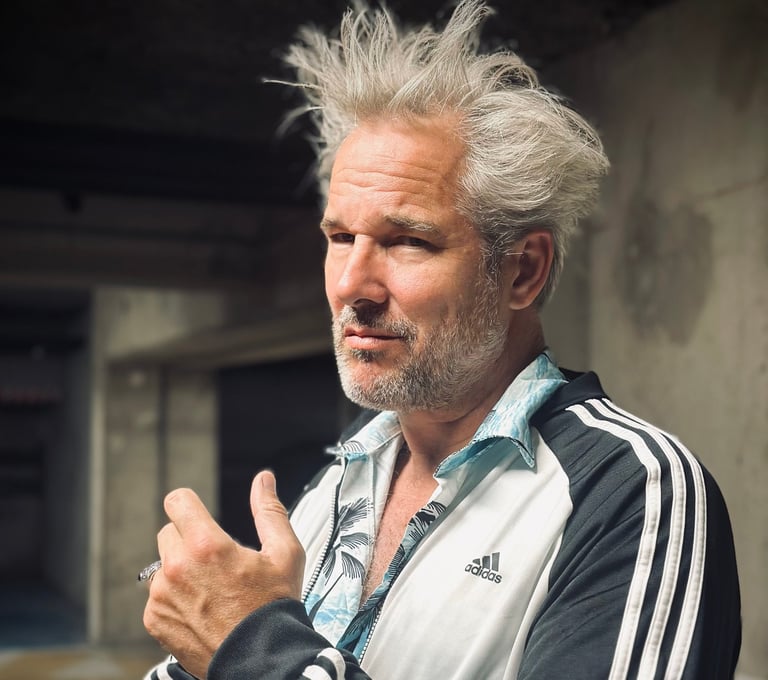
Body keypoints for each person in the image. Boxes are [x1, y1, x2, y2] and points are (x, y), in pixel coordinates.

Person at [142, 1, 741, 678]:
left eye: (407, 241)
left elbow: (260, 659)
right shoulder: (342, 478)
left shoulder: (634, 490)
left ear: (522, 270)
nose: (353, 285)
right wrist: (204, 647)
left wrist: (249, 648)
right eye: (341, 237)